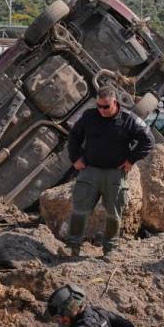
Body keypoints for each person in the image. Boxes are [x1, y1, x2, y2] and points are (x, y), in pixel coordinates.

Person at [66, 85, 154, 256]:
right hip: (90, 171)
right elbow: (74, 136)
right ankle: (73, 246)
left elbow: (148, 141)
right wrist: (75, 158)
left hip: (115, 174)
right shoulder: (89, 116)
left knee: (114, 214)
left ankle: (109, 249)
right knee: (79, 210)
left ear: (115, 102)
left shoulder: (129, 119)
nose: (101, 110)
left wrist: (131, 160)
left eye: (106, 106)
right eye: (99, 106)